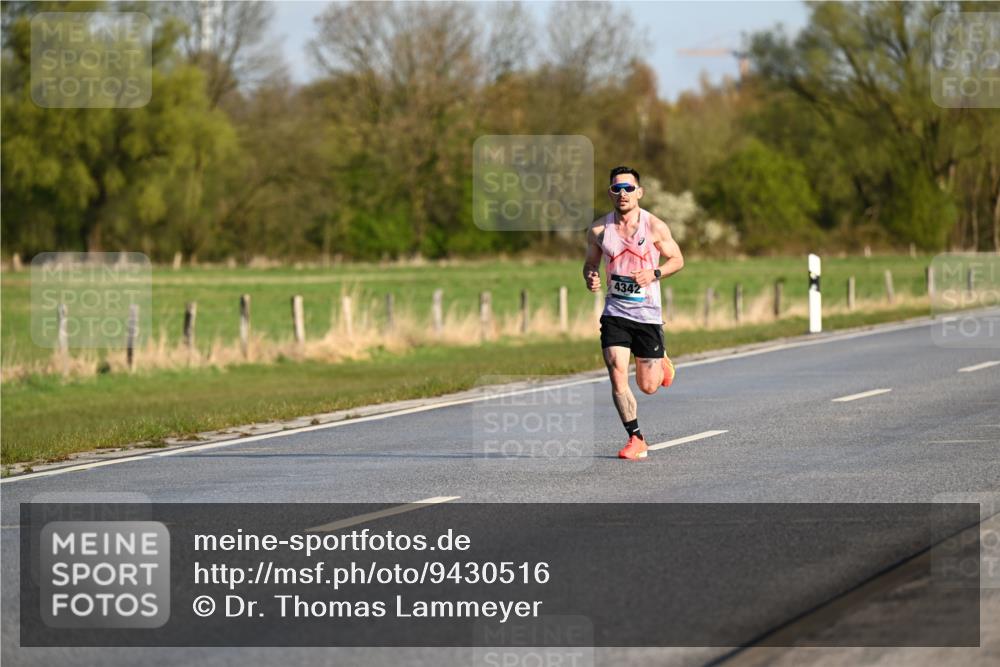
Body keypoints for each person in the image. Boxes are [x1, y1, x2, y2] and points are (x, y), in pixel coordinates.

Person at [583, 166, 684, 460]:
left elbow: (677, 259)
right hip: (615, 312)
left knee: (648, 386)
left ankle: (661, 361)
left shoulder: (654, 227)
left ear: (639, 192)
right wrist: (590, 276)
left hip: (647, 314)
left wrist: (654, 273)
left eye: (628, 188)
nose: (623, 193)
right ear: (610, 193)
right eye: (617, 189)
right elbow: (590, 264)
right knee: (616, 371)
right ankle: (635, 438)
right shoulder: (599, 231)